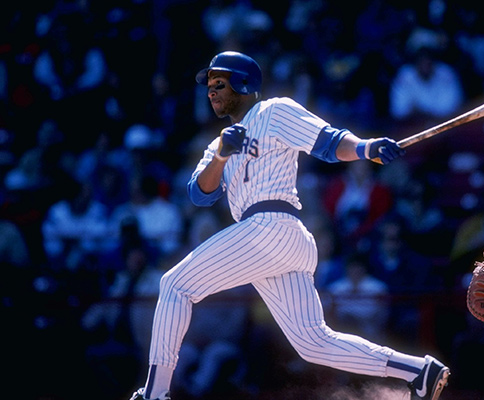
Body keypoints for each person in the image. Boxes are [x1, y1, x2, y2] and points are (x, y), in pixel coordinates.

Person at [128, 51, 449, 400]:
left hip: (273, 225)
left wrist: (366, 147)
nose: (211, 92)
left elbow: (328, 142)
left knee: (174, 284)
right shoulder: (217, 143)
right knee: (314, 343)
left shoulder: (274, 111)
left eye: (219, 83)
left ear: (243, 83)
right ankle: (419, 370)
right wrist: (221, 154)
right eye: (209, 87)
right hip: (275, 243)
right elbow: (199, 194)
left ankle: (155, 393)